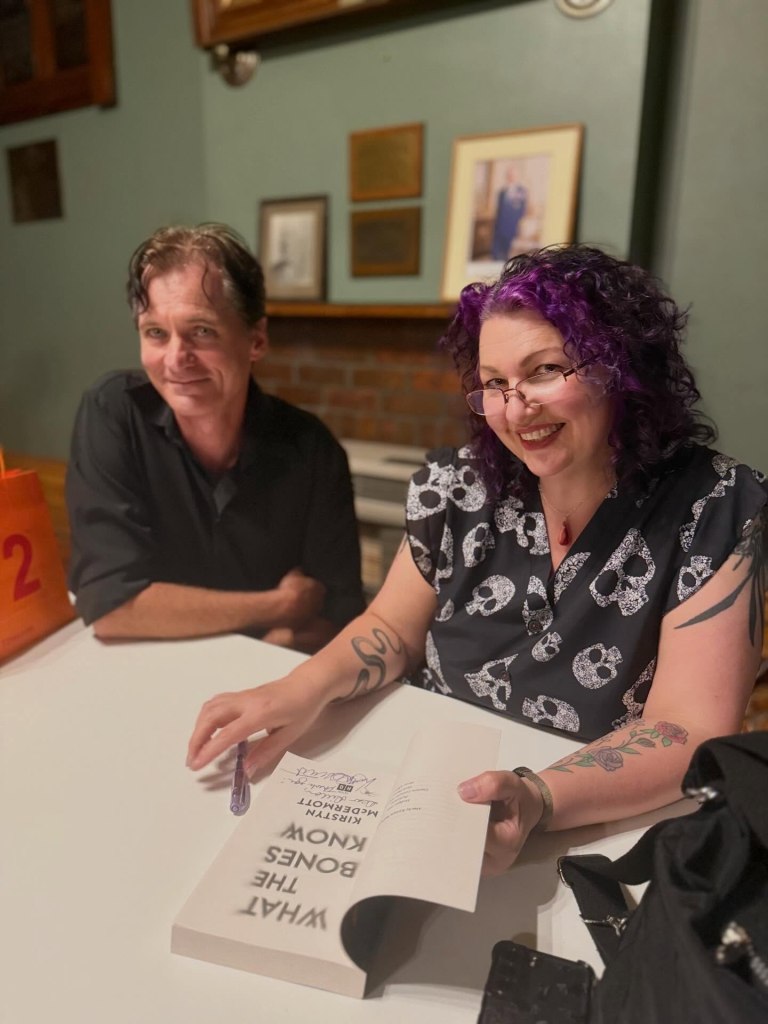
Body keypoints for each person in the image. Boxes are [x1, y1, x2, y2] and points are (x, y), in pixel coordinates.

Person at [186, 245, 766, 874]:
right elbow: (389, 630)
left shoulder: (713, 508)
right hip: (421, 782)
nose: (515, 409)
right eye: (494, 383)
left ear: (620, 370)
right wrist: (298, 690)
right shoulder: (459, 487)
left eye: (544, 370)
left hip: (594, 829)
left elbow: (687, 728)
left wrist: (540, 796)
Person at [66, 224, 365, 653]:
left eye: (201, 331)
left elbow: (336, 616)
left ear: (256, 340)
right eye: (155, 333)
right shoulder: (112, 412)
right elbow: (112, 608)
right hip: (141, 672)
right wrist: (277, 607)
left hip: (264, 687)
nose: (175, 359)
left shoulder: (312, 449)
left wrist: (276, 640)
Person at [491, 166, 528, 261]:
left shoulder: (521, 191)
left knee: (508, 254)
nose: (511, 177)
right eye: (509, 175)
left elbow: (522, 210)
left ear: (517, 176)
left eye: (513, 175)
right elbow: (499, 210)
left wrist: (519, 224)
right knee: (497, 253)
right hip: (500, 226)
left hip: (512, 226)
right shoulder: (502, 192)